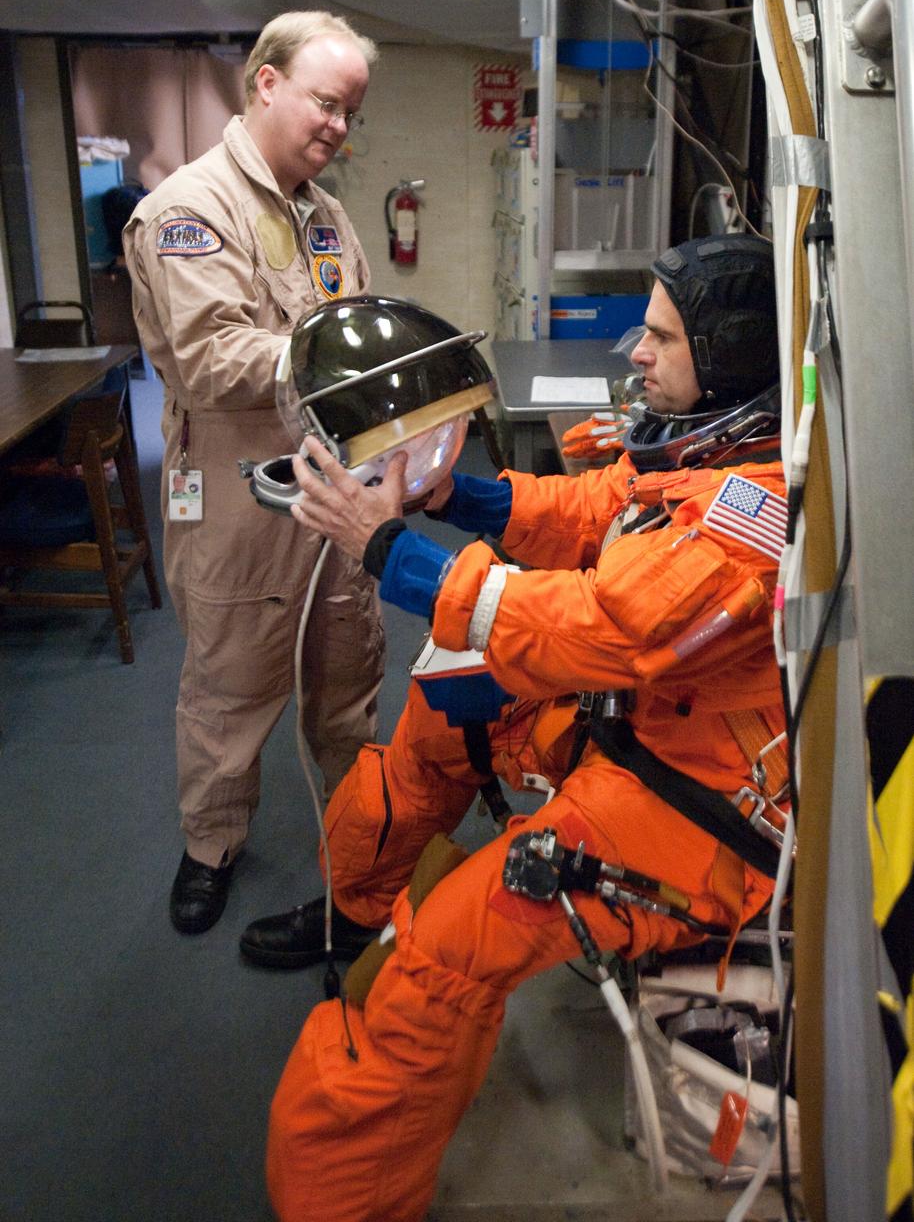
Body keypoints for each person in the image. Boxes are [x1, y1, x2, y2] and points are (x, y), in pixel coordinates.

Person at [253, 233, 788, 1222]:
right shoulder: (706, 451)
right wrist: (453, 493)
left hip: (698, 808)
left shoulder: (751, 514)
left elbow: (603, 628)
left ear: (726, 355)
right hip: (640, 726)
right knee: (438, 722)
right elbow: (596, 506)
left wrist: (392, 550)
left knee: (439, 957)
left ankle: (341, 1202)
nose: (635, 351)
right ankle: (353, 906)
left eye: (661, 337)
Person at [123, 11, 383, 935]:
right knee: (230, 687)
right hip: (236, 493)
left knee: (346, 668)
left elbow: (356, 317)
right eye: (326, 103)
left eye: (351, 112)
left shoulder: (324, 215)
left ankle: (358, 839)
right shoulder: (190, 211)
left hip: (329, 480)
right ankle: (211, 845)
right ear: (266, 83)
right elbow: (210, 359)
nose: (339, 127)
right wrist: (339, 356)